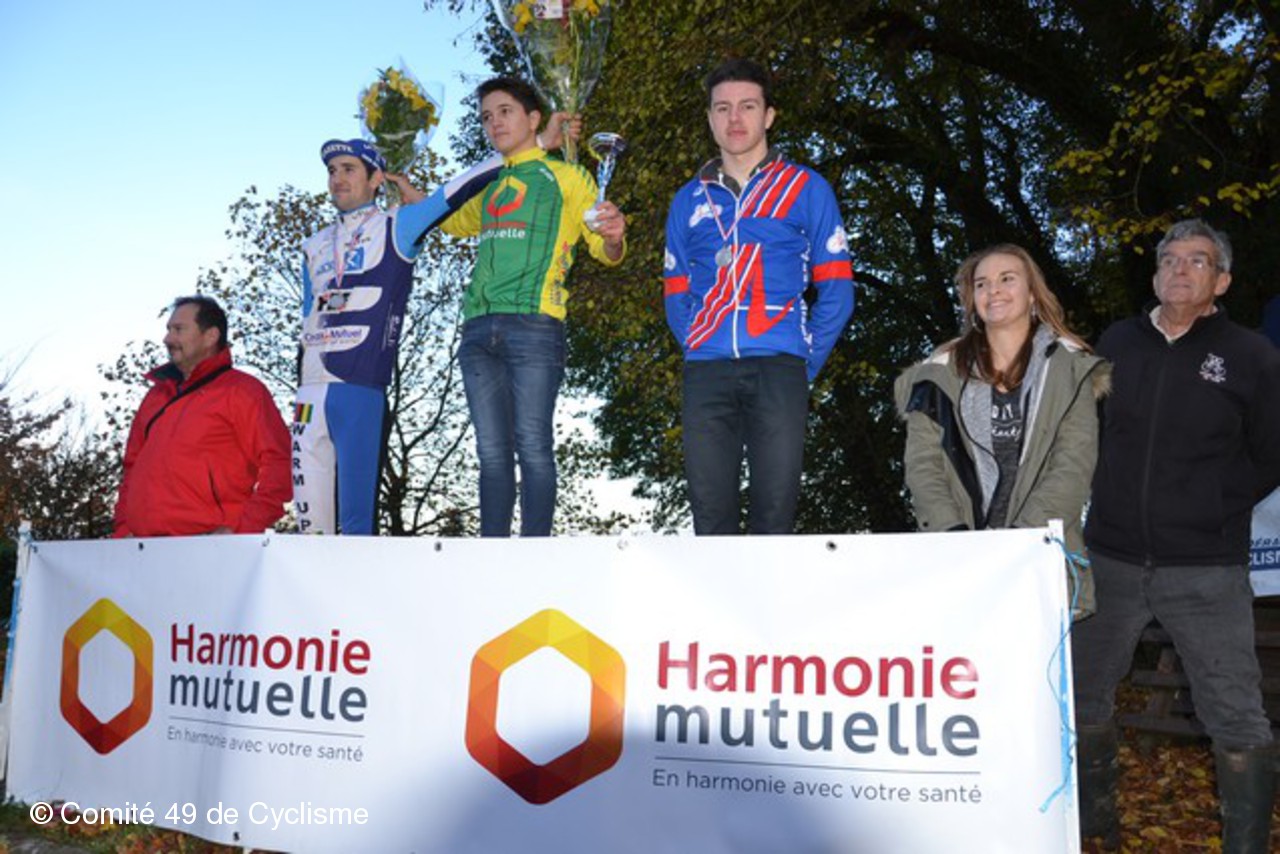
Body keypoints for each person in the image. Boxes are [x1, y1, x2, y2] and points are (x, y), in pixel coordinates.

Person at [1073, 219, 1280, 851]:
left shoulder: (1252, 356)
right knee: (1080, 699)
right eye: (1169, 259)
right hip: (1108, 556)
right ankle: (1095, 829)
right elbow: (1087, 432)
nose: (1180, 270)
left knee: (1235, 714)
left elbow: (1272, 453)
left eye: (1197, 260)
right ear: (1156, 272)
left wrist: (1213, 504)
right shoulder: (1117, 342)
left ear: (1222, 280)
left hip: (1206, 565)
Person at [293, 131, 530, 535]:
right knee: (309, 528)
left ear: (376, 178)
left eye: (349, 169)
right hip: (308, 395)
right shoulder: (313, 245)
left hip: (359, 388)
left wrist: (525, 146)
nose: (337, 179)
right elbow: (307, 317)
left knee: (357, 525)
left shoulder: (398, 225)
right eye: (332, 171)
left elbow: (455, 190)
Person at [663, 58, 854, 535]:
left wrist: (802, 360)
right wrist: (699, 345)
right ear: (709, 118)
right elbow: (676, 290)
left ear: (768, 115)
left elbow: (837, 290)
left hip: (780, 366)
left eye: (747, 106)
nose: (735, 118)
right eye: (722, 108)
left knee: (775, 518)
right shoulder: (688, 199)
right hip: (706, 371)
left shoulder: (807, 188)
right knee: (710, 521)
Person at [441, 77, 626, 537]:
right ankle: (493, 553)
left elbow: (605, 251)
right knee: (491, 453)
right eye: (486, 117)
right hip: (477, 330)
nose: (494, 123)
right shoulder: (487, 183)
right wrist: (404, 191)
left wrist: (613, 236)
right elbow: (445, 218)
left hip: (535, 326)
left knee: (534, 447)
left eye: (505, 111)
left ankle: (535, 555)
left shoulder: (568, 176)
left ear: (534, 119)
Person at [894, 244, 1108, 620]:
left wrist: (1021, 545)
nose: (993, 290)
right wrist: (955, 538)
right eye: (982, 283)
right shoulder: (937, 375)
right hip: (958, 565)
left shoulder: (1071, 371)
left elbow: (1073, 465)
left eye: (1007, 279)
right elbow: (923, 466)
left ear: (1032, 293)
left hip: (1040, 559)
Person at [114, 296, 291, 537]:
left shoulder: (242, 391)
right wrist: (124, 527)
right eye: (168, 329)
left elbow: (280, 462)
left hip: (210, 545)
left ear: (210, 336)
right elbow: (131, 467)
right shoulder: (156, 396)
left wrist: (243, 528)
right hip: (142, 547)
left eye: (179, 329)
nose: (167, 339)